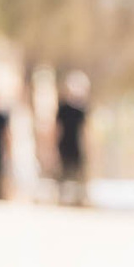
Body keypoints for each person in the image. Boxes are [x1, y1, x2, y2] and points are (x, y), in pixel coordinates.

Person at [52, 71, 89, 205]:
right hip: (64, 143)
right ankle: (62, 198)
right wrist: (53, 147)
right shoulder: (63, 108)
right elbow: (57, 128)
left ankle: (79, 199)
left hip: (77, 144)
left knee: (78, 173)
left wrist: (88, 147)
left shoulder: (82, 109)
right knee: (63, 173)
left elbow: (85, 130)